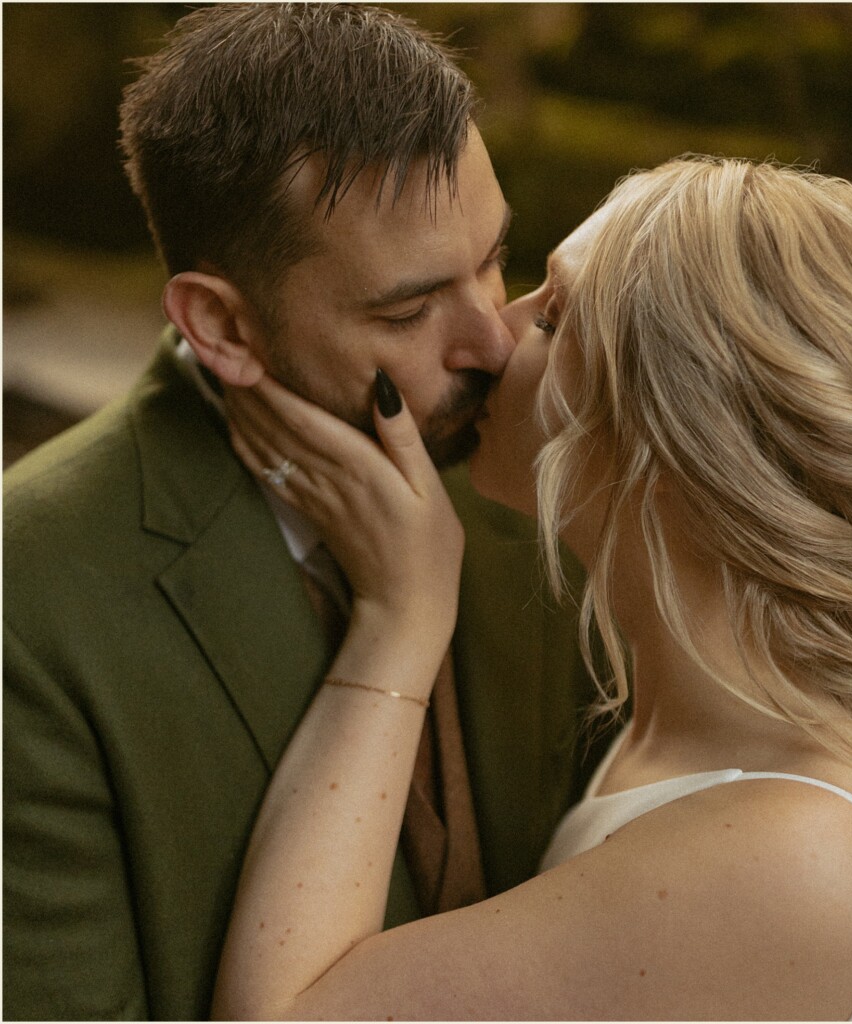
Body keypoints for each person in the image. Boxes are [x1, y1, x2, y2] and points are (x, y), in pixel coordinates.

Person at [212, 156, 852, 1021]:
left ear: (679, 438)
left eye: (552, 319)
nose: (497, 335)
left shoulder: (800, 853)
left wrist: (400, 618)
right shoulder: (692, 730)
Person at [2, 6, 607, 1020]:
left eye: (494, 260)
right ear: (223, 326)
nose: (494, 345)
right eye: (407, 311)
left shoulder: (540, 475)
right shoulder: (28, 605)